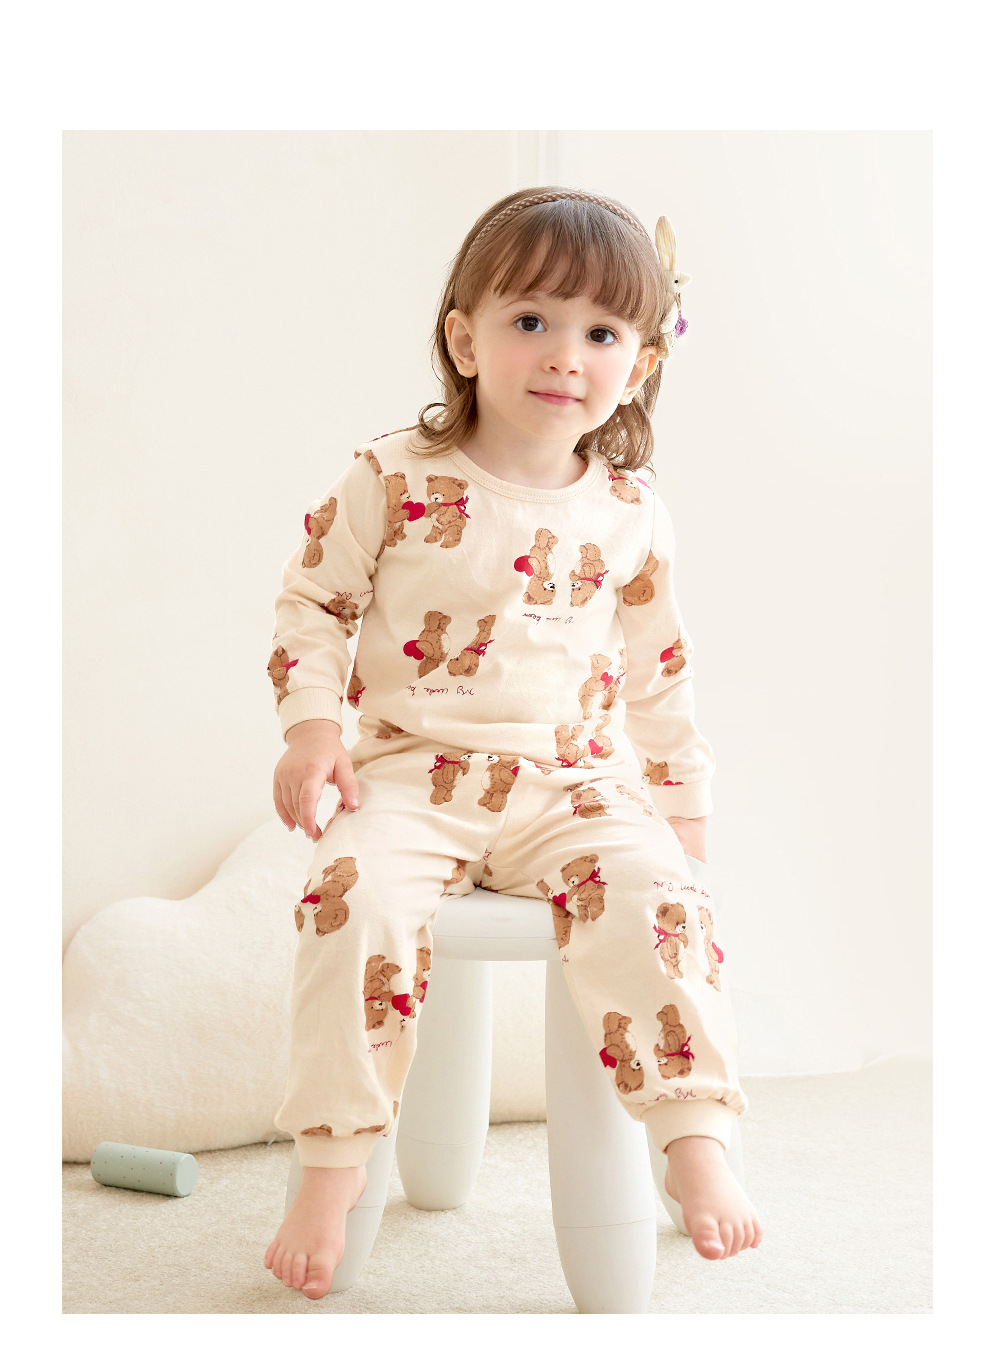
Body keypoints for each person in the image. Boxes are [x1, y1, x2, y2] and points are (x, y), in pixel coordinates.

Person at [263, 186, 762, 1300]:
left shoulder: (630, 509)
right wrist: (312, 730)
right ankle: (334, 1165)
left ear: (639, 365)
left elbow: (659, 669)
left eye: (601, 332)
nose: (564, 355)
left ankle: (693, 1138)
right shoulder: (392, 476)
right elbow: (315, 604)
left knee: (662, 899)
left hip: (575, 785)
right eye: (531, 319)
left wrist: (680, 808)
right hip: (410, 774)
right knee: (350, 899)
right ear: (464, 339)